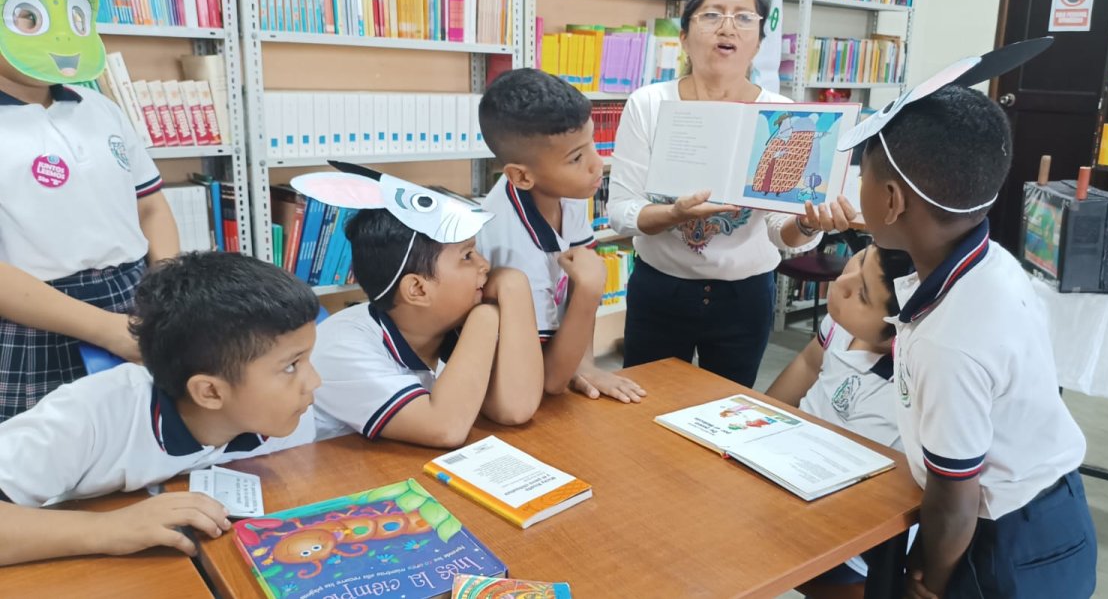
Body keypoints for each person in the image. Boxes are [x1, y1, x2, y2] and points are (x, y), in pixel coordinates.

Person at [851, 75, 1096, 597]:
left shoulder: (952, 338)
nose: (858, 191)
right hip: (1048, 514)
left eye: (863, 177)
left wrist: (929, 581)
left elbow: (955, 497)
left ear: (892, 200)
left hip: (1004, 544)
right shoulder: (989, 262)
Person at [607, 0, 854, 388]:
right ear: (684, 35)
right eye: (712, 15)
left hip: (745, 295)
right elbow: (622, 212)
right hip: (661, 291)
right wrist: (675, 214)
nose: (728, 28)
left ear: (758, 40)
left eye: (744, 18)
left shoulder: (784, 117)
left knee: (729, 415)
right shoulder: (648, 104)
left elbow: (782, 233)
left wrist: (806, 224)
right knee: (644, 411)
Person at [0, 251, 334, 566]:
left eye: (308, 358)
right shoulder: (90, 415)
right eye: (291, 365)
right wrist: (107, 529)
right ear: (210, 392)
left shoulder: (285, 415)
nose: (314, 381)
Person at [0, 0, 179, 420]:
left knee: (140, 437)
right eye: (29, 17)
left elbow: (151, 206)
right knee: (36, 467)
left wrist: (167, 286)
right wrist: (105, 330)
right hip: (32, 318)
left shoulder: (99, 107)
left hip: (136, 296)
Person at [306, 167, 545, 448]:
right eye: (467, 256)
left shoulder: (445, 323)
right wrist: (485, 316)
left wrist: (514, 286)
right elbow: (445, 428)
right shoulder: (343, 346)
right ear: (418, 289)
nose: (485, 265)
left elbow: (514, 409)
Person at [475, 68, 646, 403]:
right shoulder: (513, 250)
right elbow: (551, 379)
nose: (598, 164)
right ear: (521, 176)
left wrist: (585, 364)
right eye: (577, 157)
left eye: (592, 143)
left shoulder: (562, 191)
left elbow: (580, 267)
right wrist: (591, 288)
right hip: (504, 391)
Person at [766, 241, 914, 599]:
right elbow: (809, 363)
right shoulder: (841, 325)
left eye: (861, 294)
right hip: (790, 476)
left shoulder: (911, 382)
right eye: (858, 261)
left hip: (849, 535)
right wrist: (759, 418)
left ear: (899, 326)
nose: (841, 283)